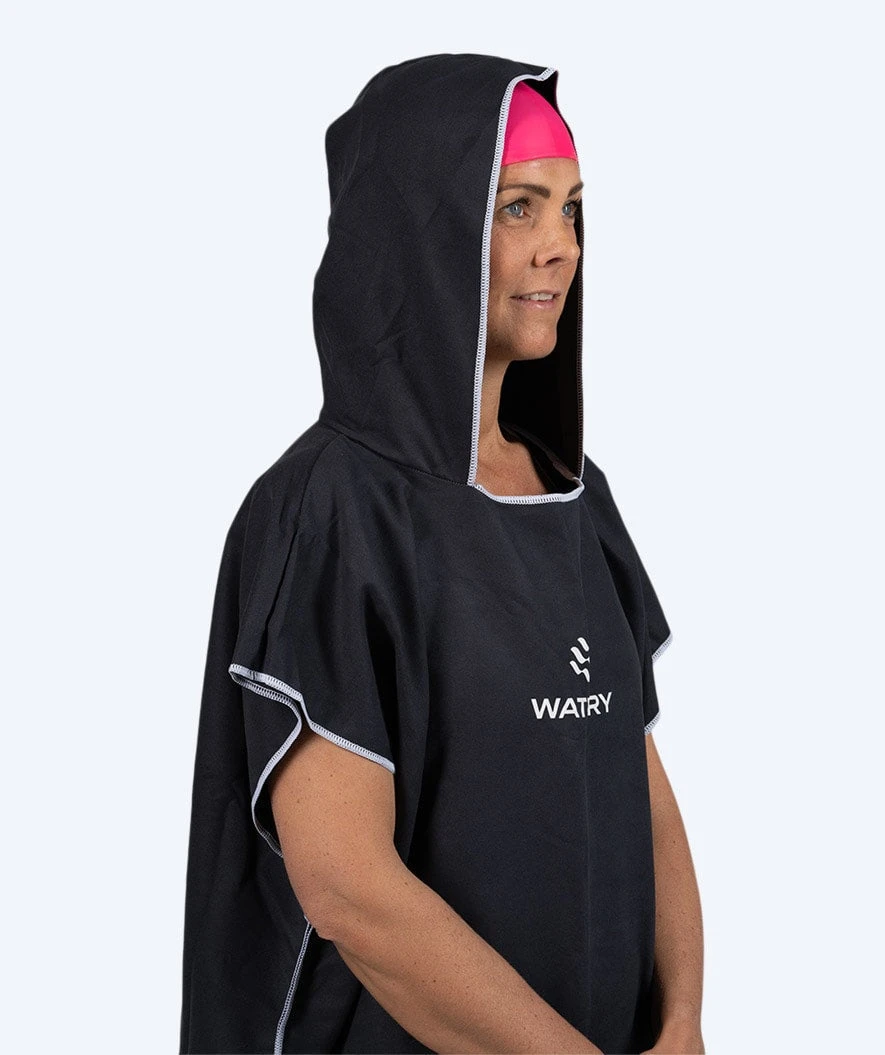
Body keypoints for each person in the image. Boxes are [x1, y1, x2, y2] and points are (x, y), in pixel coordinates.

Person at [179, 53, 705, 1055]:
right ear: (420, 229)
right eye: (517, 209)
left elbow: (642, 798)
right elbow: (348, 888)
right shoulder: (330, 512)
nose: (560, 245)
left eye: (572, 209)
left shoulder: (575, 495)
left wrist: (681, 1019)